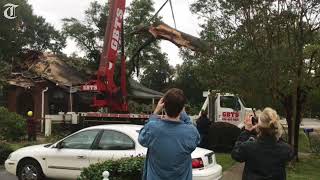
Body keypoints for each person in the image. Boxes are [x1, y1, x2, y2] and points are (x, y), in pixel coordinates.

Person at [138, 88, 200, 180]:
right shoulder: (191, 132)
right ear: (183, 108)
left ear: (164, 106)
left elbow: (142, 139)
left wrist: (155, 113)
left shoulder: (153, 128)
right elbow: (195, 136)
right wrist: (184, 114)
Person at [231, 107, 294, 180]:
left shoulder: (248, 147)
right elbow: (290, 154)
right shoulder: (284, 149)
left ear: (259, 127)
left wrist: (247, 131)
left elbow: (236, 154)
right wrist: (277, 133)